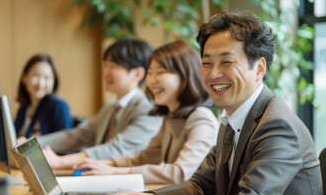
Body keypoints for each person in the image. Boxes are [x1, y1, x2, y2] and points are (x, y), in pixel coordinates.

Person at [97, 11, 326, 195]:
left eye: (226, 62)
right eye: (206, 63)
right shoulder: (232, 118)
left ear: (259, 68)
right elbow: (200, 186)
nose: (214, 74)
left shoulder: (277, 126)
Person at [73, 40, 219, 184]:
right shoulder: (170, 116)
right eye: (150, 72)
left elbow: (179, 173)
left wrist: (116, 172)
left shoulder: (201, 118)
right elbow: (144, 158)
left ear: (185, 75)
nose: (152, 80)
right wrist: (108, 164)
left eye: (160, 72)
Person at [38, 39, 162, 169]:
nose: (105, 72)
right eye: (105, 65)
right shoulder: (110, 107)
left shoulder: (148, 110)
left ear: (137, 74)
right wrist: (33, 145)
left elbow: (116, 149)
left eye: (113, 66)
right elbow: (79, 136)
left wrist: (61, 162)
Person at [14, 54, 73, 138]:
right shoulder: (23, 109)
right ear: (24, 78)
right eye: (36, 75)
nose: (40, 83)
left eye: (46, 77)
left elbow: (66, 144)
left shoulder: (59, 107)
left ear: (54, 81)